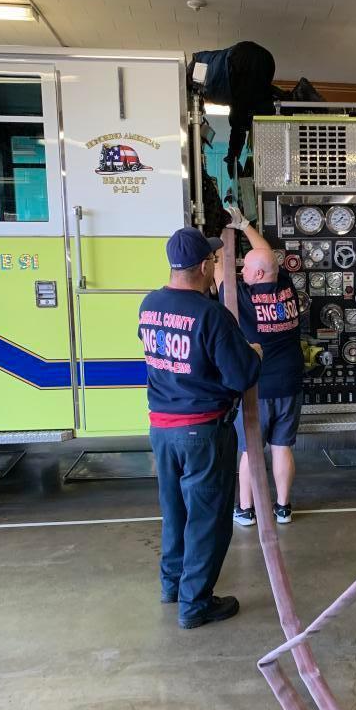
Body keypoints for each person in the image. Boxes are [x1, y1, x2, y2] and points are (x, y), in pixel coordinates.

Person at [139, 227, 262, 629]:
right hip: (201, 433)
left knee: (174, 512)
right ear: (205, 266)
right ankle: (195, 603)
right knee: (208, 520)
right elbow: (241, 374)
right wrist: (254, 352)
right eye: (212, 261)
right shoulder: (210, 315)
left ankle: (172, 586)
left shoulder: (150, 304)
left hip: (161, 429)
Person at [215, 208, 304, 526]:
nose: (241, 273)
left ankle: (245, 510)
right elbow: (267, 257)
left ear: (255, 276)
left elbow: (217, 269)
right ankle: (283, 508)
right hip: (291, 383)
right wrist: (244, 226)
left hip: (258, 388)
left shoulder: (241, 298)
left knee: (250, 451)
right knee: (282, 447)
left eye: (246, 270)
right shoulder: (286, 288)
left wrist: (224, 234)